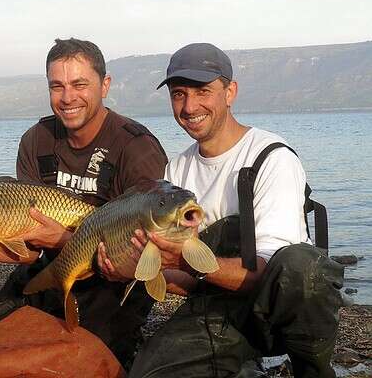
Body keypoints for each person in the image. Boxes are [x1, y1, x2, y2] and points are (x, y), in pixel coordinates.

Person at [0, 38, 168, 368]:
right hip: (50, 266)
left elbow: (143, 251)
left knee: (82, 358)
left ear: (105, 85)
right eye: (57, 86)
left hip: (114, 280)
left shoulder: (136, 147)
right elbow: (28, 250)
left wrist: (65, 240)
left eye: (79, 84)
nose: (67, 98)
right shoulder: (37, 140)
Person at [99, 43, 344, 377]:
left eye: (203, 91)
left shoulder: (272, 158)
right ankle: (242, 365)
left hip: (277, 312)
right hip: (214, 307)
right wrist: (134, 269)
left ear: (230, 92)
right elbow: (186, 281)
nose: (189, 106)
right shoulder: (176, 171)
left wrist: (184, 259)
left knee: (302, 265)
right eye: (179, 94)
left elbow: (273, 274)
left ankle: (310, 368)